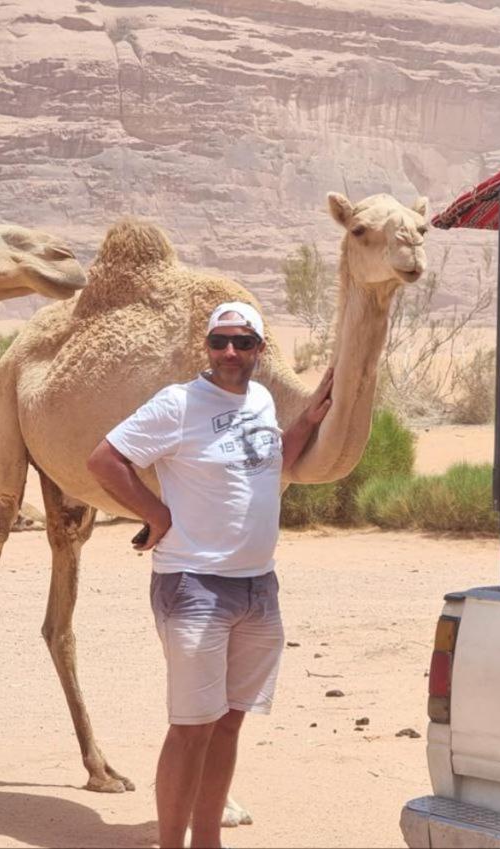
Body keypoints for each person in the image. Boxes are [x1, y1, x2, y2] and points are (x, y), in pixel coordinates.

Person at [86, 301, 333, 849]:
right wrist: (156, 515)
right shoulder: (178, 403)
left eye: (242, 342)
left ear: (259, 349)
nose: (229, 352)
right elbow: (105, 460)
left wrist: (307, 423)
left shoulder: (260, 399)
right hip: (194, 585)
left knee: (228, 723)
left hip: (258, 588)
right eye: (219, 341)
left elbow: (269, 460)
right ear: (207, 346)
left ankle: (207, 841)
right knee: (192, 727)